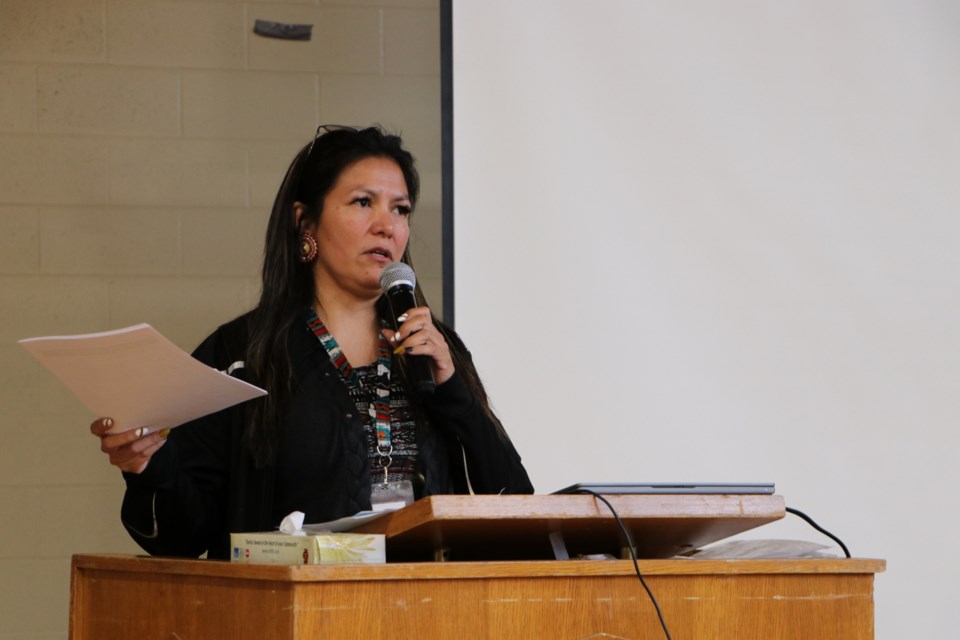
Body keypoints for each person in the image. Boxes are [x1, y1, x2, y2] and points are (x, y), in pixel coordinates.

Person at [90, 125, 534, 559]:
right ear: (306, 222)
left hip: (426, 614)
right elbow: (183, 538)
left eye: (400, 210)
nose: (387, 226)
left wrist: (453, 388)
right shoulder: (243, 354)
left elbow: (515, 500)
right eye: (363, 202)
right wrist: (147, 466)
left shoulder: (434, 348)